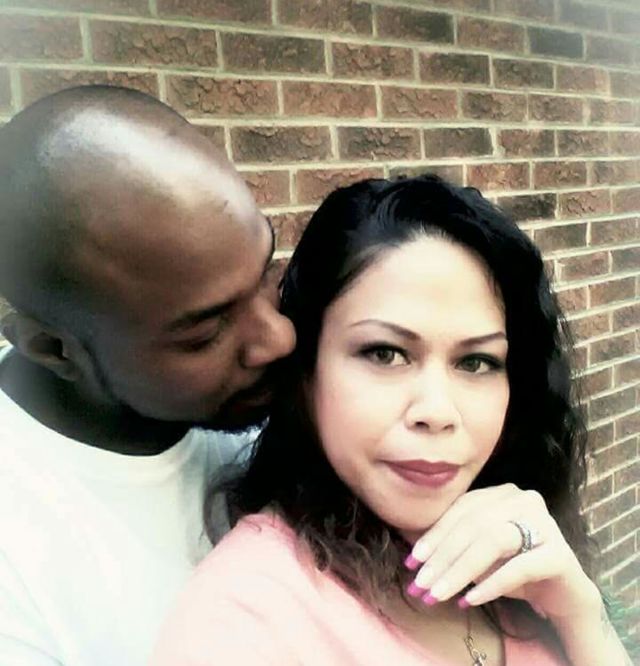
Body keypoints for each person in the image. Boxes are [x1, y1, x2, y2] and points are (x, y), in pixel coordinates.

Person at [150, 175, 632, 666]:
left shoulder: (520, 550)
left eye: (476, 362)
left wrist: (580, 615)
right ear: (306, 372)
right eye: (385, 353)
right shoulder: (246, 622)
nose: (437, 412)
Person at [0, 85, 295, 666]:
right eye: (205, 334)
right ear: (54, 350)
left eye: (267, 271)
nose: (279, 337)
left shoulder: (277, 385)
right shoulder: (19, 573)